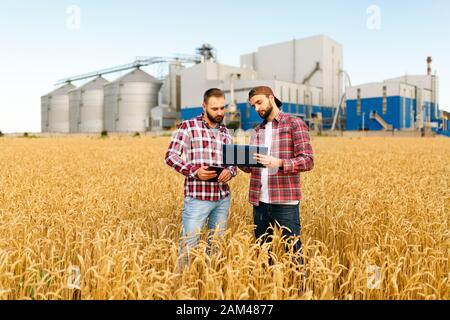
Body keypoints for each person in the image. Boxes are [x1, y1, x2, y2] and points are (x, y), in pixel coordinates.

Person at [239, 86, 314, 267]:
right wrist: (238, 160)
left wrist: (279, 163)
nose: (257, 108)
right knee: (263, 254)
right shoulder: (257, 130)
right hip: (260, 203)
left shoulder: (294, 124)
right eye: (253, 106)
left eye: (259, 102)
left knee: (294, 253)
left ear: (271, 98)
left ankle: (300, 290)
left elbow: (308, 160)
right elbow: (252, 168)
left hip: (285, 203)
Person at [165, 88, 237, 269]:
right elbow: (171, 155)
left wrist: (231, 171)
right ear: (204, 106)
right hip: (197, 198)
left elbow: (233, 162)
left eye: (222, 108)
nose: (220, 113)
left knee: (216, 248)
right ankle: (183, 287)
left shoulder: (226, 132)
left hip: (222, 199)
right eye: (215, 109)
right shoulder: (188, 127)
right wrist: (194, 171)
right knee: (188, 248)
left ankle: (210, 285)